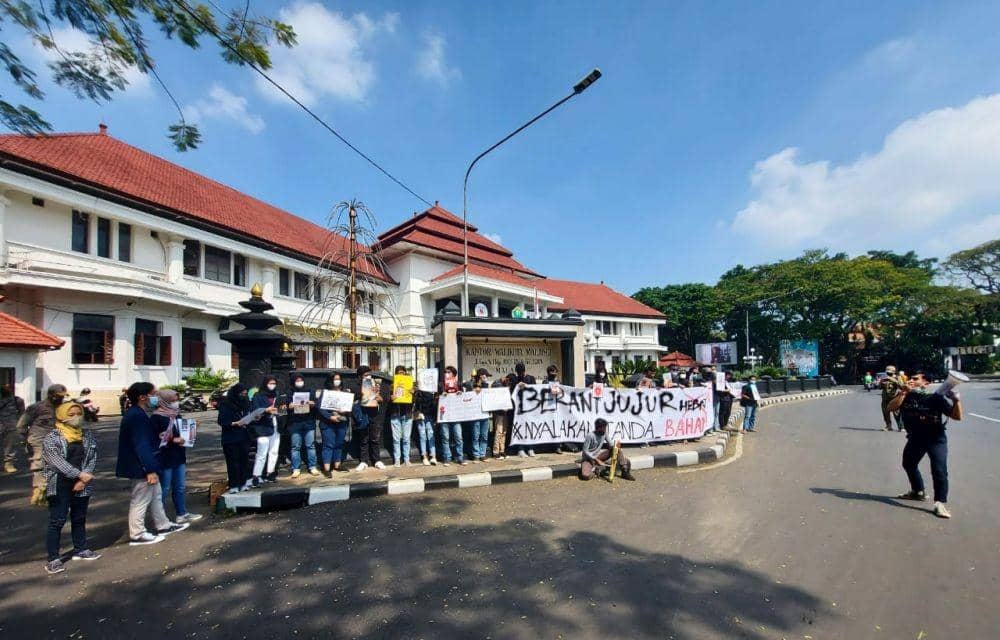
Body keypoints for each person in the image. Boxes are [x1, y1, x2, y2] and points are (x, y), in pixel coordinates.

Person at [116, 382, 187, 545]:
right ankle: (137, 533)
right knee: (140, 499)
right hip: (140, 466)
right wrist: (149, 470)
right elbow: (141, 445)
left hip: (149, 463)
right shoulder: (137, 416)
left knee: (156, 495)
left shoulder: (138, 413)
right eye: (153, 394)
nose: (155, 397)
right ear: (142, 397)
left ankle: (163, 524)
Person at [888, 371, 963, 519]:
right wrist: (903, 393)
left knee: (939, 470)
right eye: (911, 378)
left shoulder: (936, 398)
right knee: (908, 464)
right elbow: (890, 408)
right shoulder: (906, 395)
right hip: (915, 438)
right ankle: (918, 492)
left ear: (926, 383)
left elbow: (957, 417)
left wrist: (956, 401)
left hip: (936, 439)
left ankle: (940, 503)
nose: (911, 380)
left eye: (916, 379)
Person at [41, 401, 100, 574]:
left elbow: (92, 458)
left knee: (79, 517)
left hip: (82, 482)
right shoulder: (52, 437)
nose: (76, 417)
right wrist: (78, 475)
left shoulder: (86, 435)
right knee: (57, 520)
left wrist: (84, 478)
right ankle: (53, 558)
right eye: (71, 414)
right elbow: (56, 462)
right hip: (60, 482)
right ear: (61, 416)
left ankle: (80, 548)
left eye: (78, 413)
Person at [152, 389, 201, 524]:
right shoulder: (157, 417)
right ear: (164, 400)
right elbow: (154, 439)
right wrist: (172, 440)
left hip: (179, 455)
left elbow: (182, 432)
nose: (176, 403)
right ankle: (160, 519)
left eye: (176, 399)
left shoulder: (176, 415)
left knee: (179, 486)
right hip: (165, 458)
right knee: (164, 488)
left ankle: (182, 513)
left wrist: (192, 428)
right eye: (173, 400)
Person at [18, 384, 69, 505]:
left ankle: (50, 490)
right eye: (58, 396)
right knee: (40, 462)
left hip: (57, 438)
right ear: (51, 395)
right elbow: (21, 425)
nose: (61, 399)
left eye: (62, 397)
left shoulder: (64, 408)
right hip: (38, 437)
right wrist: (25, 440)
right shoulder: (36, 407)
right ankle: (39, 491)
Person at [217, 383, 253, 492]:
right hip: (231, 438)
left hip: (244, 437)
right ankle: (234, 485)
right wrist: (235, 423)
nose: (244, 395)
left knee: (244, 461)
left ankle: (243, 483)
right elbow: (222, 421)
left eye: (245, 394)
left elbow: (248, 415)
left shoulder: (246, 403)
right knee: (233, 462)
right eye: (241, 394)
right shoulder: (226, 404)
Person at [250, 376, 283, 485]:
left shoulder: (277, 395)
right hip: (263, 427)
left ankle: (270, 473)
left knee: (274, 451)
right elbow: (254, 412)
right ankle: (257, 475)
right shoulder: (258, 396)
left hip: (276, 426)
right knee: (261, 453)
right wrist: (266, 410)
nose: (272, 385)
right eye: (270, 383)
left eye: (274, 383)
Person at [316, 373, 351, 476]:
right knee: (328, 444)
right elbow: (320, 408)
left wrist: (345, 410)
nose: (337, 381)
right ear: (330, 380)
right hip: (328, 423)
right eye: (335, 379)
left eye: (339, 379)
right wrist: (330, 417)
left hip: (342, 421)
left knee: (339, 444)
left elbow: (349, 407)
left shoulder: (345, 392)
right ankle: (326, 468)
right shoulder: (325, 392)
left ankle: (337, 465)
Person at [352, 366, 386, 471]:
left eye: (369, 374)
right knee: (364, 439)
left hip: (374, 414)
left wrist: (379, 398)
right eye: (365, 375)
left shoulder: (375, 384)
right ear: (359, 377)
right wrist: (361, 394)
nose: (368, 376)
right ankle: (363, 461)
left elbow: (381, 399)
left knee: (375, 438)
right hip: (362, 415)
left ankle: (377, 460)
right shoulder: (355, 387)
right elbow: (352, 399)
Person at [286, 373, 319, 477]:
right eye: (297, 380)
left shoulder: (309, 391)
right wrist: (290, 406)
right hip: (295, 423)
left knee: (310, 445)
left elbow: (316, 404)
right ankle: (296, 468)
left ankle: (312, 466)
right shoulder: (290, 392)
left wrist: (312, 404)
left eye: (301, 380)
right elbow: (285, 406)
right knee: (295, 446)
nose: (299, 382)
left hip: (308, 422)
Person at [544, 365, 578, 454]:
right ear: (548, 372)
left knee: (558, 427)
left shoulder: (559, 382)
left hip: (559, 408)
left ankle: (558, 446)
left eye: (555, 371)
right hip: (549, 408)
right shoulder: (545, 382)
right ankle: (553, 446)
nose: (554, 373)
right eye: (552, 371)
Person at [438, 365, 466, 466]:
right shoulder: (441, 384)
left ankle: (460, 457)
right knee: (445, 437)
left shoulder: (458, 383)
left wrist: (460, 393)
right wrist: (441, 394)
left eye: (449, 372)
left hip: (456, 415)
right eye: (446, 372)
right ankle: (447, 458)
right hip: (444, 415)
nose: (447, 373)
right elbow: (436, 397)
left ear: (454, 374)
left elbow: (464, 399)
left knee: (458, 437)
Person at [509, 363, 536, 457]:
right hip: (518, 409)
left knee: (529, 428)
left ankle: (530, 448)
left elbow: (535, 390)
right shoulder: (513, 379)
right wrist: (517, 385)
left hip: (529, 408)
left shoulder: (530, 378)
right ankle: (520, 449)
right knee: (520, 428)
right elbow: (511, 391)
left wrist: (526, 385)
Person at [389, 366, 415, 467]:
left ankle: (406, 459)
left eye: (403, 373)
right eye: (399, 373)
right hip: (395, 415)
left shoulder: (409, 385)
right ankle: (397, 460)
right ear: (396, 374)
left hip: (407, 415)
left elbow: (414, 402)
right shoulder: (392, 386)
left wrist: (413, 394)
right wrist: (391, 398)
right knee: (396, 439)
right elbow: (386, 402)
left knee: (406, 438)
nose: (402, 374)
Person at [414, 379, 438, 466]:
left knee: (430, 435)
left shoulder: (432, 392)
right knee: (423, 436)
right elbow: (415, 404)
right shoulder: (418, 393)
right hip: (421, 416)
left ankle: (433, 456)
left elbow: (434, 406)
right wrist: (418, 412)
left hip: (429, 416)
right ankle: (425, 456)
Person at [1, 384, 24, 473]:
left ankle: (8, 464)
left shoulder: (17, 400)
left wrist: (20, 425)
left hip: (11, 426)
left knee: (10, 447)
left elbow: (22, 413)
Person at [491, 374, 511, 460]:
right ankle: (496, 452)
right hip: (498, 412)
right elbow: (496, 393)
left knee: (504, 432)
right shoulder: (497, 383)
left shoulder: (505, 384)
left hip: (505, 412)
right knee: (498, 431)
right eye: (508, 381)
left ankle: (502, 450)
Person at [880, 366, 904, 431]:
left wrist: (894, 380)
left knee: (897, 413)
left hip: (894, 397)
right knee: (885, 412)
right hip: (885, 398)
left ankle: (901, 427)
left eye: (890, 372)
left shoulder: (897, 377)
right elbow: (879, 387)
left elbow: (902, 386)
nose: (888, 373)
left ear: (894, 372)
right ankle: (888, 426)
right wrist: (882, 383)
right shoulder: (884, 377)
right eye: (887, 372)